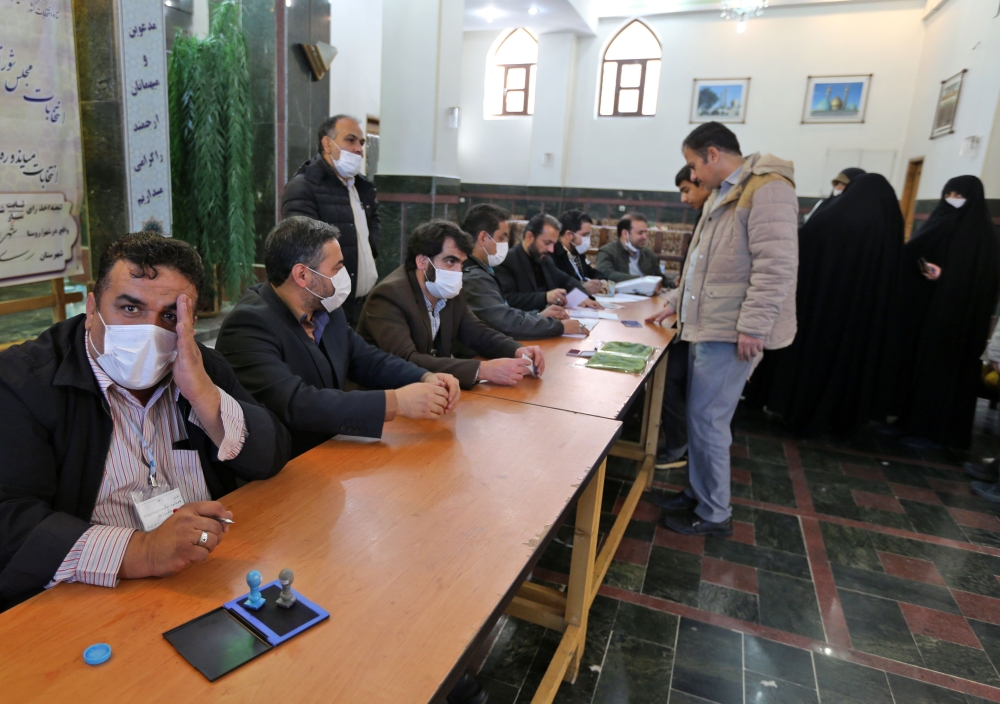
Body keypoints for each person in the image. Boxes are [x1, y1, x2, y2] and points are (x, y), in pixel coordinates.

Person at [0, 233, 292, 610]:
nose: (149, 331)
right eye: (130, 309)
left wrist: (203, 394)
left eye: (170, 316)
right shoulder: (24, 383)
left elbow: (271, 455)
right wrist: (142, 551)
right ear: (92, 308)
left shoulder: (198, 365)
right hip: (90, 600)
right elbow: (9, 521)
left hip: (206, 577)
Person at [646, 122, 798, 536]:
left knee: (709, 422)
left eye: (693, 164)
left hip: (732, 330)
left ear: (713, 154)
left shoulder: (767, 188)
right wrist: (676, 302)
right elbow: (701, 262)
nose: (692, 175)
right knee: (700, 418)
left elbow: (776, 267)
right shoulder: (726, 191)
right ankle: (697, 493)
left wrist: (754, 325)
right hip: (709, 323)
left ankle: (714, 512)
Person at [215, 216, 461, 459]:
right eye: (337, 267)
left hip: (330, 453)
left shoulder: (325, 309)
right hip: (284, 465)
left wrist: (425, 377)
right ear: (302, 275)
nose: (345, 275)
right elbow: (296, 403)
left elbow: (368, 360)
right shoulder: (248, 326)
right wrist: (397, 402)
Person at [767, 173, 903, 437]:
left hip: (824, 308)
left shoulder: (836, 216)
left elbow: (805, 243)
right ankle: (846, 418)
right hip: (866, 316)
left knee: (817, 359)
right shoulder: (890, 220)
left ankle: (802, 412)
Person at [357, 219, 545, 389]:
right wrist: (482, 370)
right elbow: (405, 360)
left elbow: (478, 332)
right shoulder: (389, 295)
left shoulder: (448, 288)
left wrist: (516, 350)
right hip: (382, 396)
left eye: (461, 263)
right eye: (450, 261)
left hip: (431, 390)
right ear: (422, 261)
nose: (457, 272)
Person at [892, 175, 1000, 450]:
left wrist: (945, 276)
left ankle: (936, 433)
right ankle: (908, 420)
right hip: (927, 314)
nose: (952, 198)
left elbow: (981, 280)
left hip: (956, 322)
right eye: (948, 192)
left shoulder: (981, 235)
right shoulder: (940, 222)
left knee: (942, 372)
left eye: (958, 194)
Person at [281, 114, 379, 327]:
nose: (358, 149)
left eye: (361, 143)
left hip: (362, 305)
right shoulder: (304, 187)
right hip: (326, 308)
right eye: (350, 140)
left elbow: (372, 230)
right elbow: (302, 251)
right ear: (327, 143)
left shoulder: (361, 188)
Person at [656, 166, 714, 467]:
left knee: (667, 380)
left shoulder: (719, 216)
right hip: (689, 322)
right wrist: (676, 303)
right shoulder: (707, 215)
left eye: (687, 189)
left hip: (708, 329)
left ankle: (679, 447)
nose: (683, 198)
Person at [461, 204, 586, 339]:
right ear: (483, 238)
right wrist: (559, 326)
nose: (505, 244)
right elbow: (505, 322)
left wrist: (538, 316)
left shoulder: (483, 270)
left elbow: (505, 312)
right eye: (502, 238)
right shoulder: (474, 278)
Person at [496, 212, 601, 312]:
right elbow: (507, 300)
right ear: (529, 237)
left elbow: (567, 280)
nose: (551, 250)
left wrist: (581, 297)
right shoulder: (507, 260)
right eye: (547, 243)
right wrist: (545, 297)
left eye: (553, 244)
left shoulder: (545, 260)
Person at [596, 213, 672, 287]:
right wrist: (642, 280)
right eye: (640, 233)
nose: (645, 237)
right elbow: (606, 274)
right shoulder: (607, 252)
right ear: (625, 233)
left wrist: (673, 283)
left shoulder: (648, 253)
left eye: (645, 232)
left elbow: (660, 279)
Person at [552, 210, 605, 295]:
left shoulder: (577, 252)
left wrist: (602, 281)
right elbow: (557, 285)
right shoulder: (553, 254)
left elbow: (592, 273)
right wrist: (581, 287)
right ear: (569, 235)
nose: (588, 240)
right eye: (584, 235)